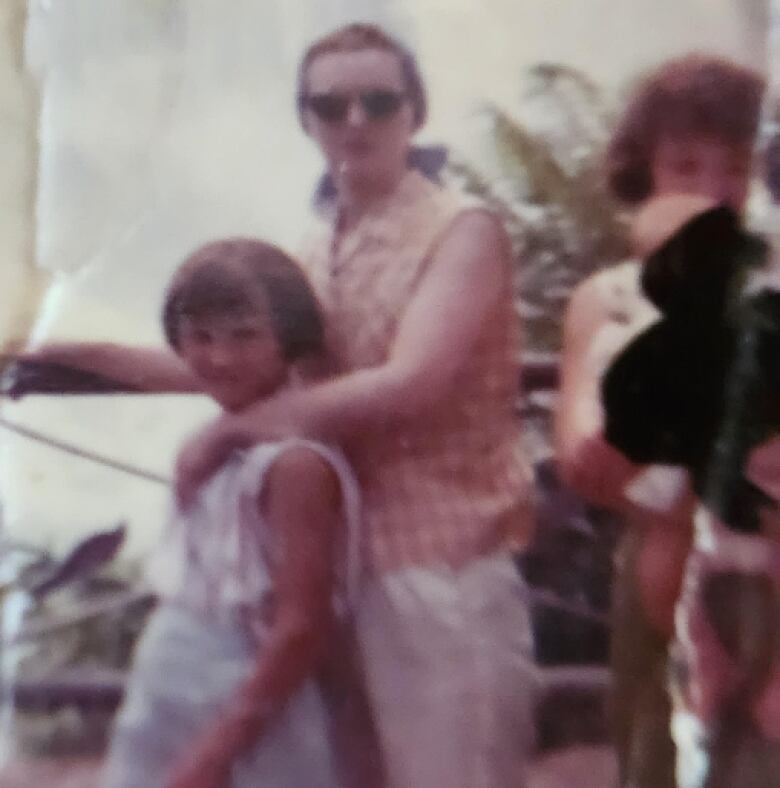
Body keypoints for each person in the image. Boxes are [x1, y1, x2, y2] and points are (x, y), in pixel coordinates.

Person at [23, 23, 537, 788]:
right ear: (307, 121)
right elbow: (226, 363)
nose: (355, 120)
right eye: (331, 105)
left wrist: (227, 437)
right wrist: (47, 355)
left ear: (415, 113)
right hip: (347, 568)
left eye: (378, 101)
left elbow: (411, 383)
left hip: (441, 566)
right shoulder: (321, 237)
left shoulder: (463, 232)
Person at [554, 53, 765, 787]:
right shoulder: (606, 297)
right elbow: (582, 444)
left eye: (734, 170)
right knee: (651, 758)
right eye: (686, 167)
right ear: (643, 174)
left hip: (759, 576)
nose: (713, 192)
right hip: (654, 579)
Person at [101, 237, 363, 788]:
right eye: (200, 337)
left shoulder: (293, 466)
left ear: (288, 338)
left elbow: (300, 626)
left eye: (245, 336)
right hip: (168, 689)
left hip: (243, 704)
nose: (219, 356)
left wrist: (216, 752)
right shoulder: (210, 448)